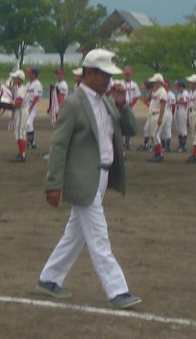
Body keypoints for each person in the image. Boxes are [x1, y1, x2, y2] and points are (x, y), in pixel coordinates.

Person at [35, 49, 140, 309]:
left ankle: (49, 278)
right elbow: (58, 146)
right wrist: (53, 184)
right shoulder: (73, 103)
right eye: (104, 74)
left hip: (103, 176)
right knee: (98, 235)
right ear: (89, 73)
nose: (108, 80)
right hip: (83, 179)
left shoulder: (106, 101)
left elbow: (130, 130)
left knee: (76, 234)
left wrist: (122, 105)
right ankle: (117, 291)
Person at [23, 66, 43, 150]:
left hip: (33, 106)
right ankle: (30, 142)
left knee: (28, 123)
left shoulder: (37, 84)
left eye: (29, 73)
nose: (28, 74)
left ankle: (31, 142)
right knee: (26, 124)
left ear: (34, 74)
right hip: (26, 105)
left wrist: (31, 107)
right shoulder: (28, 84)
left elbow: (36, 97)